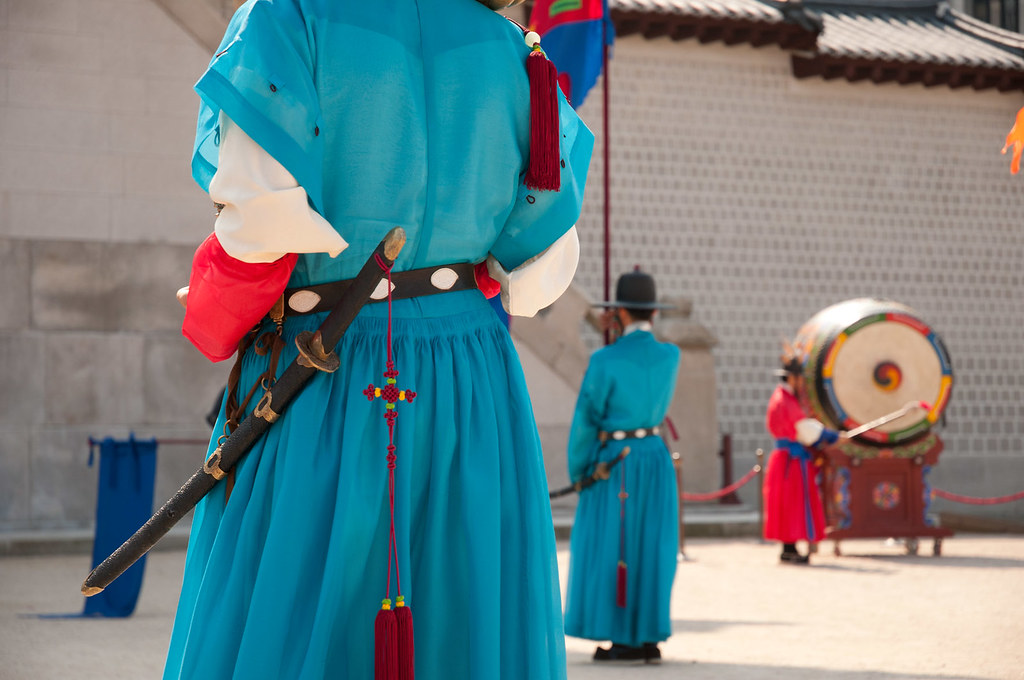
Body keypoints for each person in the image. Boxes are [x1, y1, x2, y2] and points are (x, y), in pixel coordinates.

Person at [163, 1, 594, 679]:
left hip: (325, 360)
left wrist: (216, 301)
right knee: (460, 610)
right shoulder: (511, 48)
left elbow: (261, 222)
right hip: (469, 372)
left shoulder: (288, 16)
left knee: (301, 608)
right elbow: (540, 275)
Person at [562, 268, 680, 664]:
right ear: (654, 313)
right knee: (652, 546)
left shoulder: (605, 359)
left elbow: (587, 419)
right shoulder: (670, 355)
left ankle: (621, 638)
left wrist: (579, 471)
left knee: (614, 544)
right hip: (655, 456)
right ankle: (647, 635)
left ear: (620, 314)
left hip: (616, 464)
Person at [762, 354, 847, 564]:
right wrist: (832, 435)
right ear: (792, 378)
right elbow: (805, 430)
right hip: (791, 461)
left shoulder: (783, 397)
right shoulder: (785, 400)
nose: (801, 383)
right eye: (799, 378)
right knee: (792, 504)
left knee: (788, 504)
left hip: (787, 459)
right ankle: (789, 547)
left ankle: (789, 548)